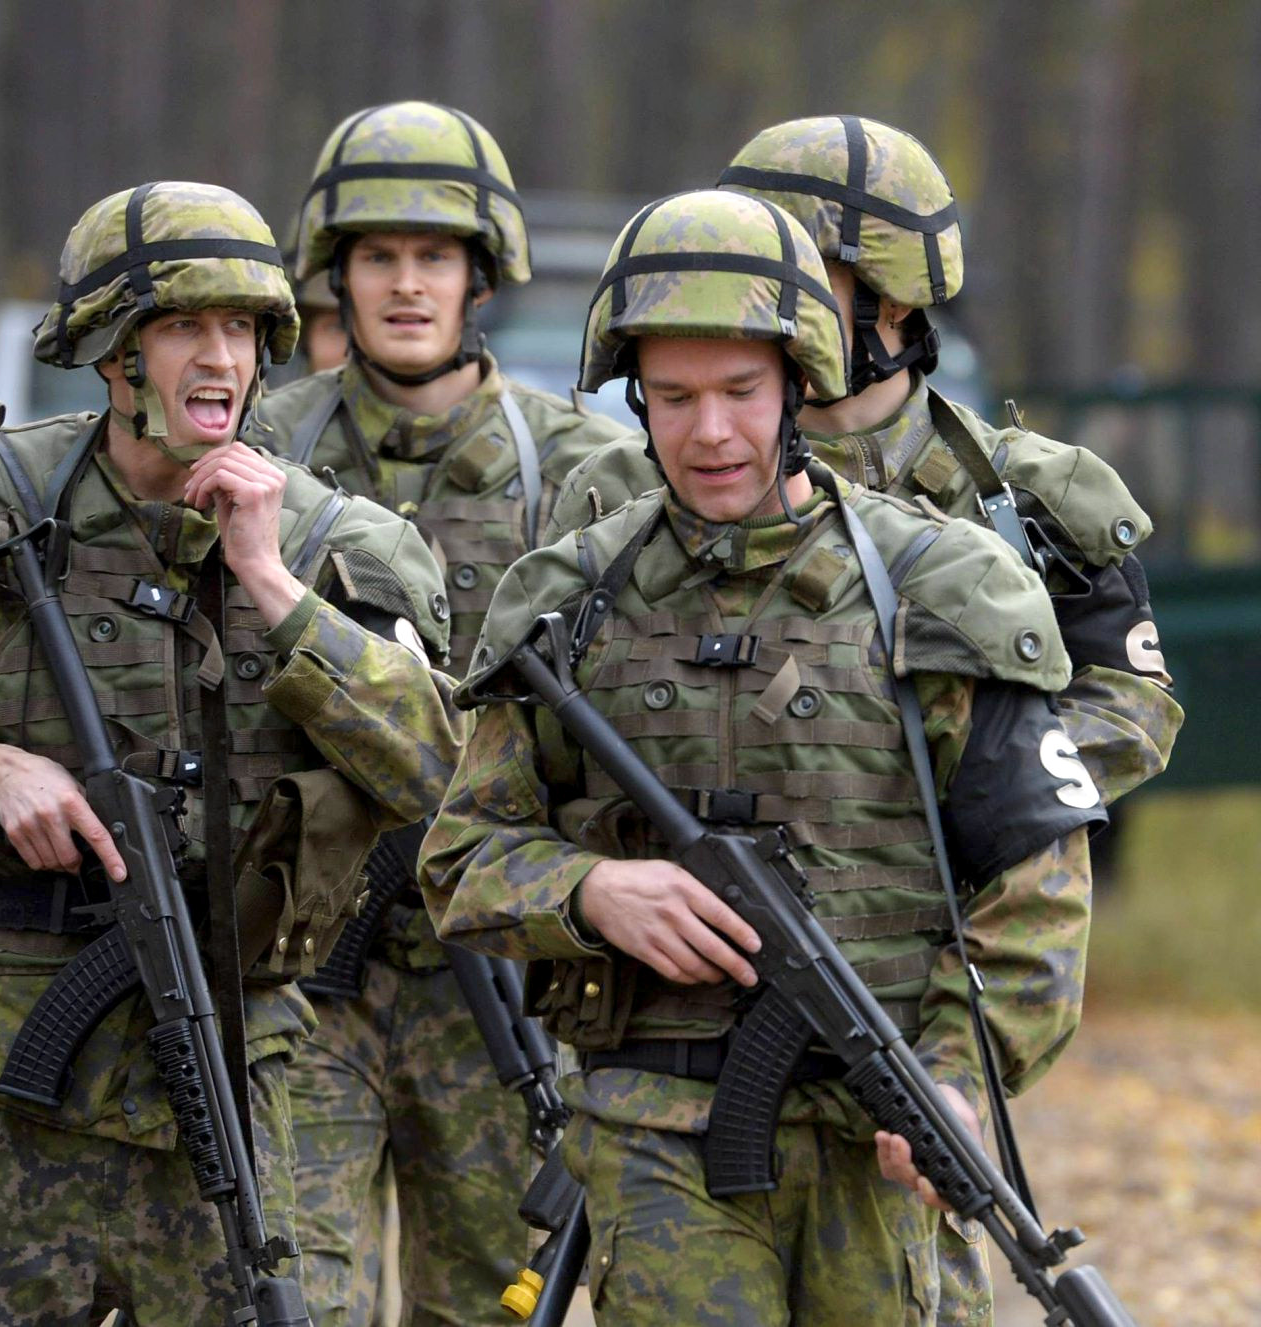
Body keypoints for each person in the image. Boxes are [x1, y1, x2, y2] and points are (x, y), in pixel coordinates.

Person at [421, 188, 1106, 1325]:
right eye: (675, 398)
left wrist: (954, 1078)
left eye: (740, 393)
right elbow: (460, 857)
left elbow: (1040, 890)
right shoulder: (569, 599)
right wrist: (589, 889)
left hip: (873, 1129)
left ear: (800, 384)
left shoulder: (940, 589)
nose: (709, 435)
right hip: (651, 1133)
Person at [0, 180, 462, 1326]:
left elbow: (439, 777)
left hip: (231, 1081)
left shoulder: (338, 550)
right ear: (111, 351)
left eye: (242, 329)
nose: (219, 357)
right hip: (8, 1094)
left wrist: (270, 585)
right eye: (181, 325)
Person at [239, 100, 624, 1325]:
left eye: (435, 257)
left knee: (494, 1303)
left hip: (498, 978)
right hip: (298, 970)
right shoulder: (258, 452)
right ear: (335, 278)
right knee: (291, 1296)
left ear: (481, 274)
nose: (407, 286)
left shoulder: (579, 470)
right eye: (377, 257)